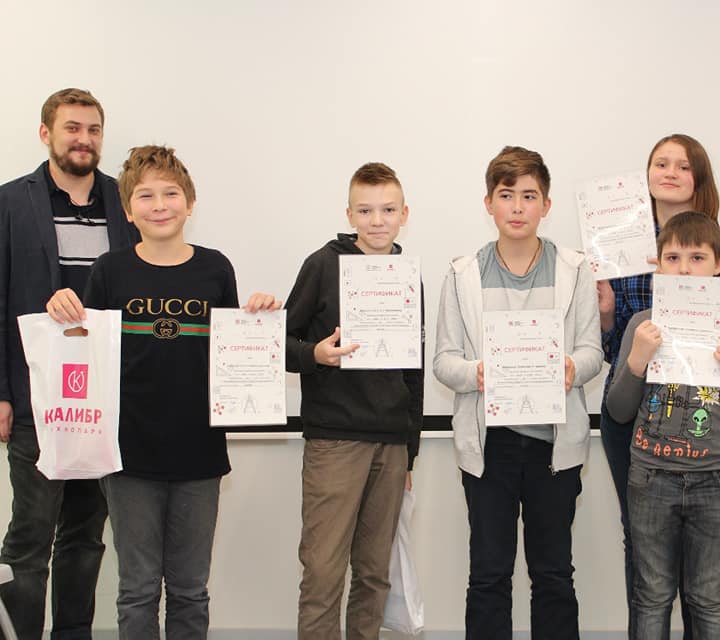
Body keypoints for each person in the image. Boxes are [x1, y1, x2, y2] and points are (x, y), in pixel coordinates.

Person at [46, 145, 280, 639]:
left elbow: (232, 353)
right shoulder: (109, 271)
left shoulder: (216, 269)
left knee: (191, 589)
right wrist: (61, 310)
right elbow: (84, 353)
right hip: (127, 456)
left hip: (199, 454)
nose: (159, 205)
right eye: (145, 196)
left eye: (170, 194)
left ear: (190, 203)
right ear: (128, 211)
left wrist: (257, 320)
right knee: (137, 590)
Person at [434, 145, 602, 639]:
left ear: (546, 205)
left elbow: (592, 351)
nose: (517, 207)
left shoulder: (575, 269)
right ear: (489, 203)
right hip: (490, 447)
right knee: (489, 576)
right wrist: (478, 374)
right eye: (506, 195)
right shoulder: (463, 273)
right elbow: (444, 361)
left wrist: (571, 367)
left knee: (553, 574)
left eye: (529, 196)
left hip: (555, 445)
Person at [596, 134, 720, 633]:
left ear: (698, 178)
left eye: (682, 166)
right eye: (660, 163)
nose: (669, 172)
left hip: (705, 427)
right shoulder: (623, 246)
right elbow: (616, 347)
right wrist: (608, 315)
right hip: (637, 418)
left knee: (706, 587)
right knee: (645, 559)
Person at [0, 87, 139, 640]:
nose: (84, 139)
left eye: (93, 129)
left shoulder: (125, 202)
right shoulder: (10, 203)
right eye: (72, 128)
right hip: (35, 399)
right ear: (46, 134)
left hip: (102, 400)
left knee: (85, 534)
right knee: (30, 537)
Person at [285, 162, 423, 640]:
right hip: (335, 441)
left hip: (392, 445)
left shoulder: (407, 276)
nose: (377, 220)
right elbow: (280, 342)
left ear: (405, 214)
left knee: (374, 574)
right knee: (323, 571)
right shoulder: (322, 265)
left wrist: (411, 452)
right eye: (365, 210)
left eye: (388, 210)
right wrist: (315, 354)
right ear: (349, 214)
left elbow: (413, 373)